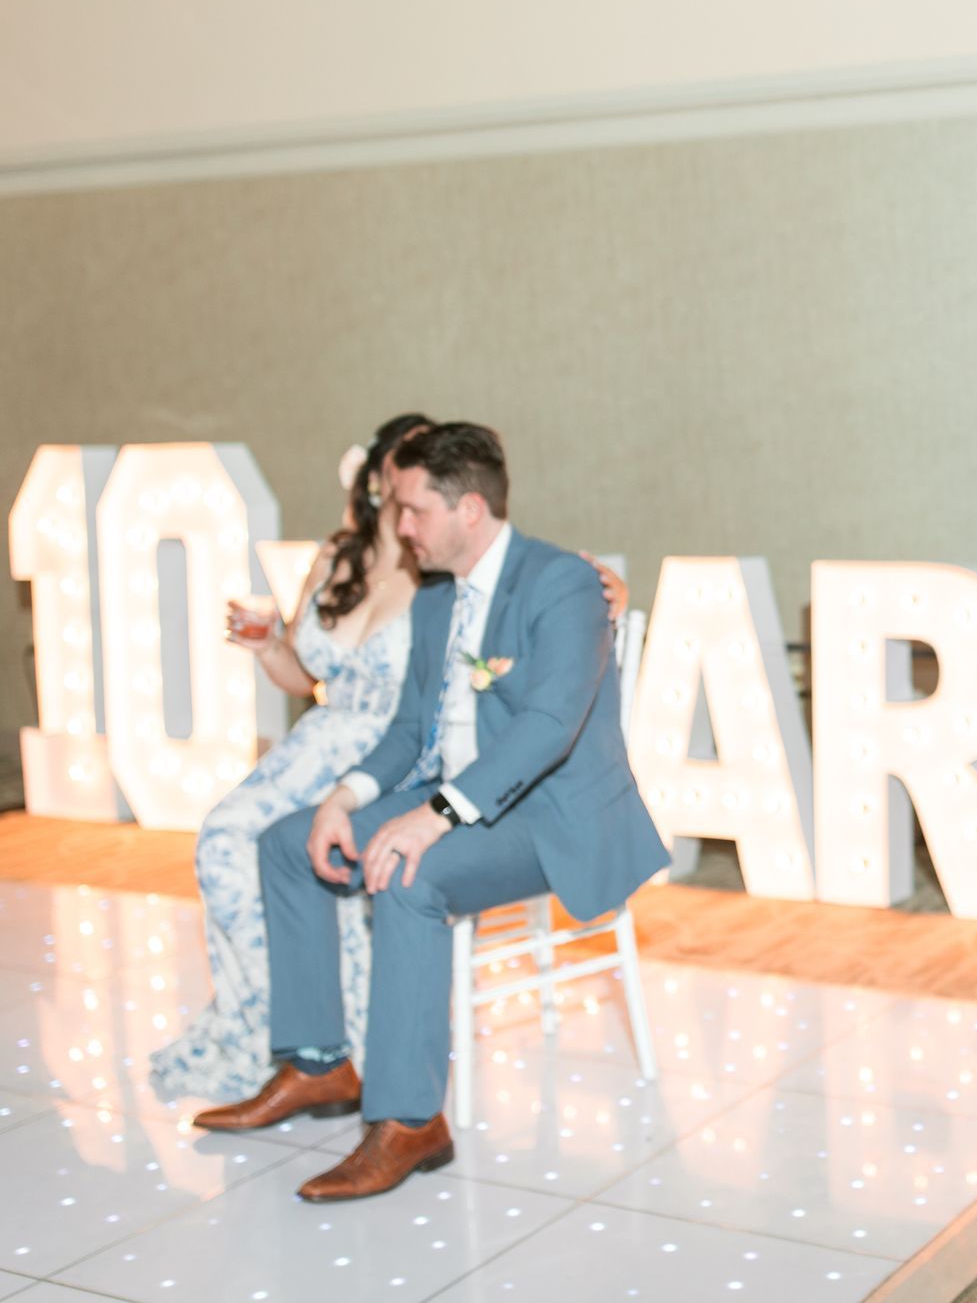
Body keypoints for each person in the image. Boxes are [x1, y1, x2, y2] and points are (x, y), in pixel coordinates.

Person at [152, 415, 629, 1103]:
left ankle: (406, 1119)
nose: (402, 524)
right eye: (396, 504)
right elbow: (407, 723)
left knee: (405, 870)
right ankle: (315, 1062)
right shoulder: (432, 591)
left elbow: (546, 726)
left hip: (537, 809)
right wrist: (342, 798)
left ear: (465, 507)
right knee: (283, 841)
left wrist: (434, 815)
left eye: (415, 508)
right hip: (419, 774)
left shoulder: (544, 579)